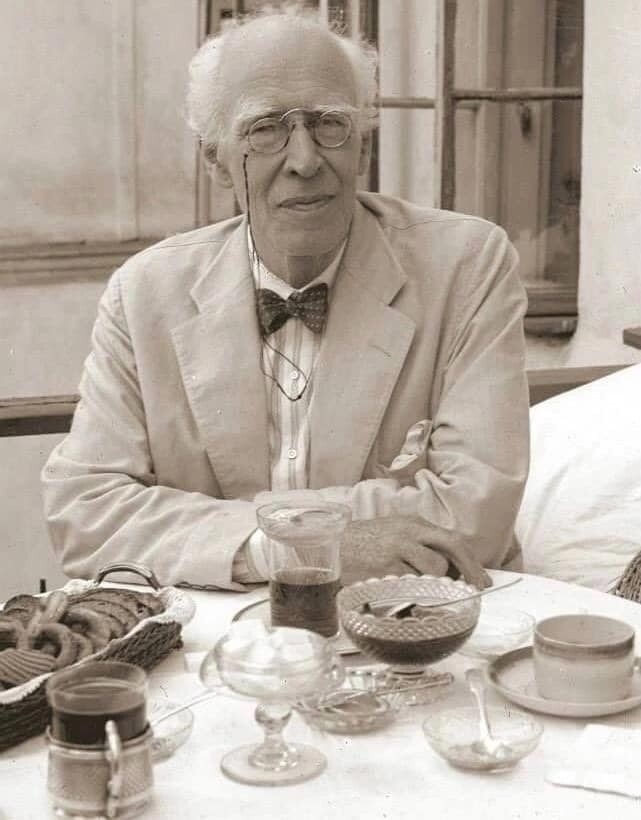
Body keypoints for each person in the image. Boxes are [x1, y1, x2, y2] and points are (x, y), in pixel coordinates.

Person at [42, 4, 529, 592]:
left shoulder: (467, 263)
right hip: (218, 628)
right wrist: (299, 548)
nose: (304, 160)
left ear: (362, 147)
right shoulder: (144, 291)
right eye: (266, 129)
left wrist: (212, 532)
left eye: (330, 124)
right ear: (217, 161)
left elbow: (476, 515)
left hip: (418, 614)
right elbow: (86, 510)